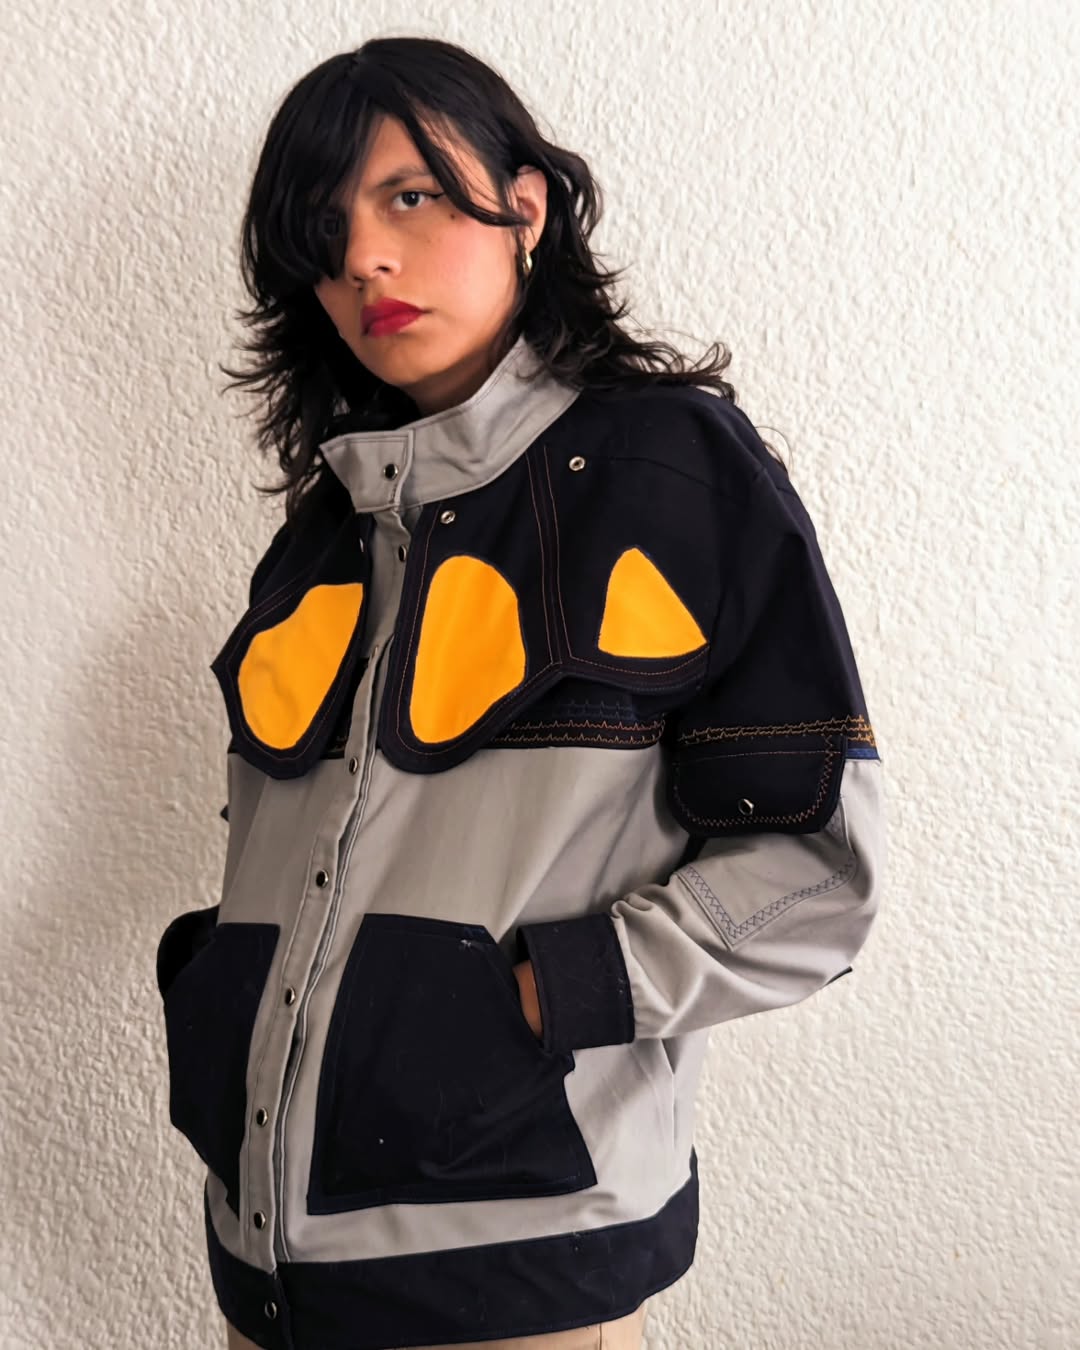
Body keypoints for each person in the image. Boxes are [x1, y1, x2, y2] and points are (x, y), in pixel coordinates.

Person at [152, 35, 887, 1350]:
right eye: (324, 228)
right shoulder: (324, 531)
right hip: (269, 1273)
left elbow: (816, 868)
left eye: (410, 197)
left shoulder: (673, 475)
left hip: (515, 1272)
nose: (363, 258)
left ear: (525, 206)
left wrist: (542, 994)